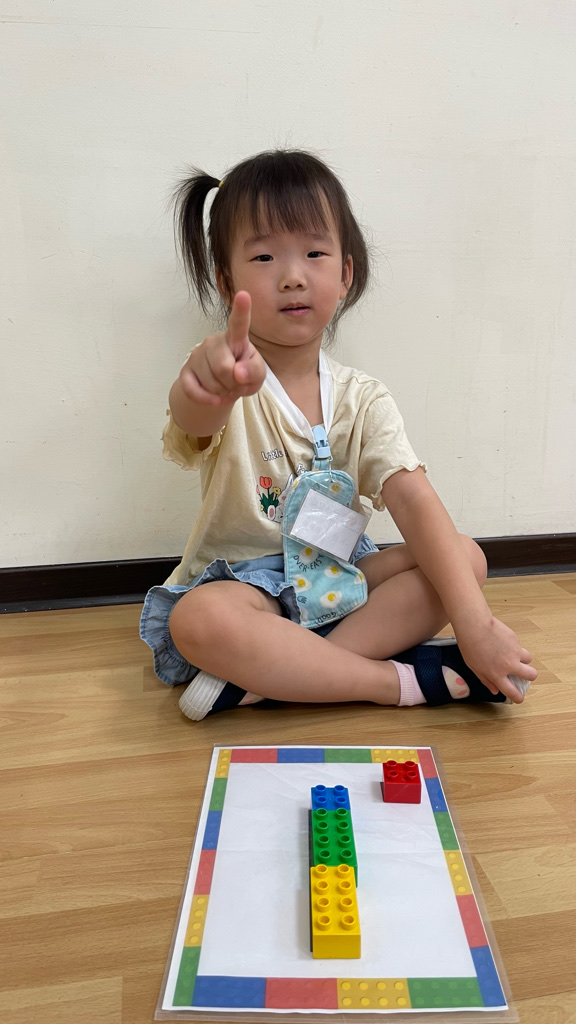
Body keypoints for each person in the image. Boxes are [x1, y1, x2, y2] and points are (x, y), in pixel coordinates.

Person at [139, 149, 537, 720]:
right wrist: (205, 390)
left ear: (345, 273)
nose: (293, 275)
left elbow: (412, 498)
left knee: (465, 559)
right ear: (227, 282)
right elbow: (194, 419)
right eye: (264, 256)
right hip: (248, 590)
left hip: (339, 580)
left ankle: (271, 677)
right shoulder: (224, 375)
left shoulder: (363, 397)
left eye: (314, 252)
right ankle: (396, 682)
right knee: (199, 620)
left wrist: (476, 625)